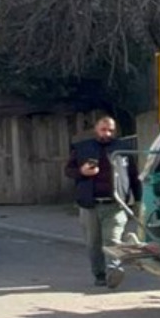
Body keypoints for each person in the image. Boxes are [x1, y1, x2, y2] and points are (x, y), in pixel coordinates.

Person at [64, 115, 141, 289]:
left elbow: (133, 175)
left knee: (113, 240)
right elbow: (68, 171)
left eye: (111, 130)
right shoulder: (82, 148)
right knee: (93, 243)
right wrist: (82, 172)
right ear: (96, 130)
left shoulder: (122, 148)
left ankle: (114, 272)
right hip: (90, 204)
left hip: (116, 204)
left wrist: (138, 200)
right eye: (103, 129)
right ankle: (99, 275)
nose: (107, 133)